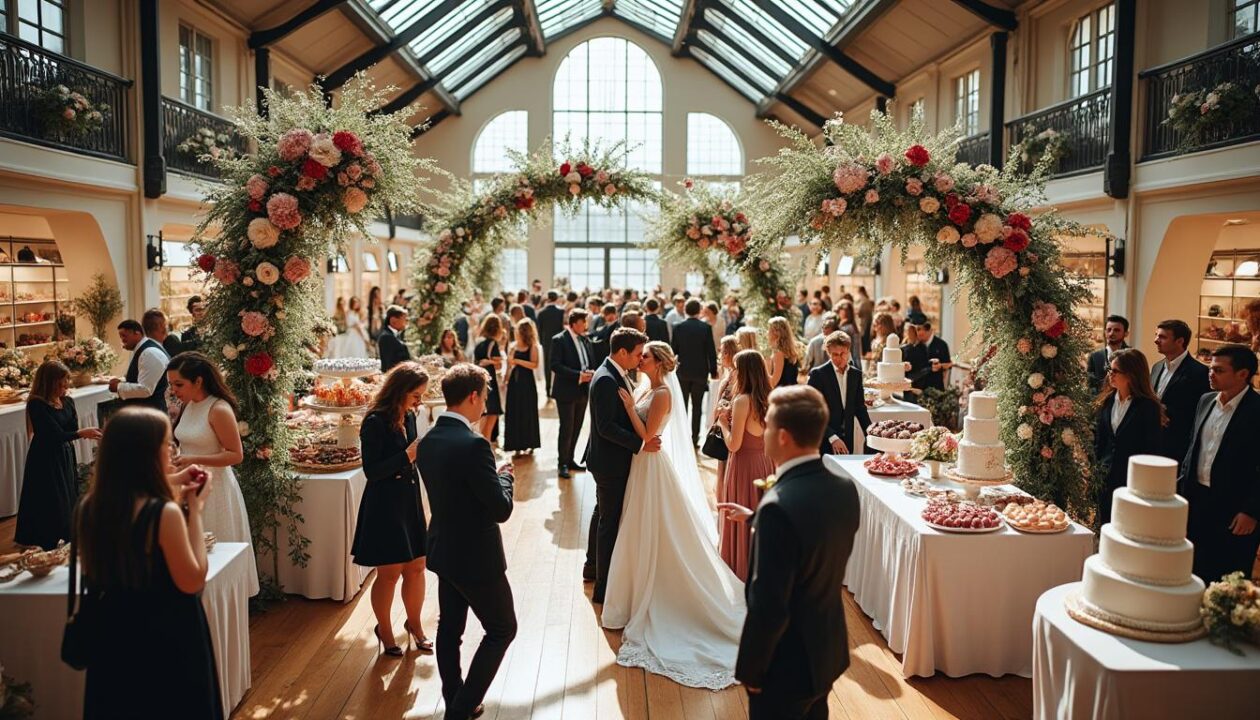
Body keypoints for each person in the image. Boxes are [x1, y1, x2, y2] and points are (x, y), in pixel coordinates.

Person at [600, 341, 745, 689]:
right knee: (637, 527)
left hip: (651, 463)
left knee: (653, 527)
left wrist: (629, 408)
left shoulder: (663, 392)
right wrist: (632, 402)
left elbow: (650, 435)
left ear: (659, 362)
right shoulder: (648, 387)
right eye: (639, 355)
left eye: (645, 356)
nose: (640, 359)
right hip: (642, 465)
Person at [719, 386, 860, 719]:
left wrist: (750, 670)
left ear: (782, 437)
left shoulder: (778, 511)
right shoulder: (843, 489)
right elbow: (814, 540)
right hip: (827, 652)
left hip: (786, 666)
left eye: (766, 425)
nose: (763, 432)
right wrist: (755, 518)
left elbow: (769, 606)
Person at [78, 407, 223, 719]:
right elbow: (193, 580)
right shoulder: (163, 514)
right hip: (165, 634)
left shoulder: (91, 506)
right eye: (166, 444)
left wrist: (173, 484)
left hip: (113, 634)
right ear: (146, 454)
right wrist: (194, 512)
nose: (172, 452)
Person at [417, 364, 516, 720]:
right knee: (503, 628)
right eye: (484, 398)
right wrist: (506, 478)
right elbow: (501, 509)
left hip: (445, 549)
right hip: (476, 555)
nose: (484, 405)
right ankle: (459, 709)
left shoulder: (428, 440)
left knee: (450, 628)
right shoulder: (474, 445)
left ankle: (456, 696)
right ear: (473, 396)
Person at [352, 363, 435, 657]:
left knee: (416, 567)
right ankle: (385, 631)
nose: (419, 401)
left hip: (408, 498)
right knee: (388, 573)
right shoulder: (374, 421)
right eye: (416, 395)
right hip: (384, 503)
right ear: (399, 390)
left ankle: (415, 625)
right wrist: (407, 455)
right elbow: (372, 471)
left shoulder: (410, 415)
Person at [168, 352, 260, 596]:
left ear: (198, 381)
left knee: (217, 555)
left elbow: (235, 455)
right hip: (187, 486)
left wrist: (193, 459)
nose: (174, 390)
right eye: (171, 384)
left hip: (216, 489)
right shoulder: (188, 405)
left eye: (179, 384)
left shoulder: (218, 409)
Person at [584, 328, 661, 602]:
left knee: (604, 516)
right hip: (609, 462)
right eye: (638, 354)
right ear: (622, 352)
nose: (640, 359)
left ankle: (593, 569)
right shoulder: (606, 379)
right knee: (610, 523)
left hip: (607, 459)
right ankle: (603, 590)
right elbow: (605, 427)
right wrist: (641, 445)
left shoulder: (613, 373)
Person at [1177, 345, 1260, 583]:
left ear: (1243, 374)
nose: (1210, 374)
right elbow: (1192, 452)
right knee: (1193, 571)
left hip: (1235, 509)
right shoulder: (1205, 401)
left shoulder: (1257, 411)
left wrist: (1251, 511)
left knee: (1228, 577)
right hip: (1198, 500)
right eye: (1210, 369)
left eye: (1219, 370)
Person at [15, 361, 101, 549]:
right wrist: (80, 434)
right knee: (50, 497)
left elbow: (70, 428)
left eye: (67, 382)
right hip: (44, 456)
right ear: (49, 383)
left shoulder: (68, 401)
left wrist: (81, 431)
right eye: (61, 384)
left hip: (64, 453)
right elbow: (52, 435)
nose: (65, 387)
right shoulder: (37, 404)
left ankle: (67, 534)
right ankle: (45, 538)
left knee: (67, 492)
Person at [715, 349, 774, 581]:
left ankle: (739, 572)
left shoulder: (742, 401)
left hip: (743, 467)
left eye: (737, 369)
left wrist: (722, 422)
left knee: (740, 516)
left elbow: (733, 445)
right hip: (765, 463)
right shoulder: (770, 398)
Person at [1094, 348, 1166, 525]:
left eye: (1115, 371)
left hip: (1131, 479)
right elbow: (1100, 440)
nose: (1110, 374)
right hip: (1105, 476)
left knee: (1126, 526)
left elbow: (1151, 448)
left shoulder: (1148, 406)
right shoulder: (1108, 400)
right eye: (1109, 369)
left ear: (1132, 375)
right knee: (1104, 524)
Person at [1151, 319, 1210, 464]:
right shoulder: (1156, 367)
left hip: (1178, 446)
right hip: (1153, 441)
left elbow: (1200, 412)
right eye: (1156, 335)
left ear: (1179, 341)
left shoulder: (1199, 372)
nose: (1156, 340)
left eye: (1162, 337)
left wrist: (1166, 412)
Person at [807, 331, 871, 455]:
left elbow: (860, 408)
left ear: (849, 351)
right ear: (828, 353)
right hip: (824, 440)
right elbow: (812, 412)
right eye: (835, 354)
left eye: (843, 353)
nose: (840, 358)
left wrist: (870, 433)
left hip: (848, 440)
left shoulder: (856, 375)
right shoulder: (818, 375)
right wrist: (832, 437)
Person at [551, 308, 594, 480]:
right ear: (575, 323)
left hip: (583, 390)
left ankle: (570, 460)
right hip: (566, 391)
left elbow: (589, 359)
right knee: (567, 427)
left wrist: (590, 371)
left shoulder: (585, 339)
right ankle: (562, 463)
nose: (586, 325)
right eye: (584, 322)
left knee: (577, 426)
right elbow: (555, 365)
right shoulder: (559, 340)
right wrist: (578, 375)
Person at [670, 298, 719, 446]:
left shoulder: (677, 327)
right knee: (697, 406)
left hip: (683, 371)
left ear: (685, 310)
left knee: (682, 405)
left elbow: (674, 350)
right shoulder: (705, 328)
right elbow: (711, 351)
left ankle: (682, 437)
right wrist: (713, 371)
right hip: (700, 372)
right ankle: (694, 438)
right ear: (699, 311)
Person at [108, 318, 170, 413]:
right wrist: (122, 381)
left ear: (137, 333)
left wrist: (118, 387)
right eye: (120, 337)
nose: (122, 340)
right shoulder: (144, 350)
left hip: (151, 413)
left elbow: (145, 389)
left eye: (124, 335)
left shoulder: (149, 353)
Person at [503, 318, 541, 456]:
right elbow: (509, 364)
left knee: (527, 411)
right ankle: (515, 445)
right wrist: (506, 378)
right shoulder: (513, 346)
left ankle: (529, 443)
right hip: (514, 381)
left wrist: (517, 361)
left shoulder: (533, 347)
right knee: (514, 411)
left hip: (527, 382)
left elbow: (534, 364)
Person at [473, 314, 505, 442]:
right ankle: (486, 447)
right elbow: (498, 364)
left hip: (479, 380)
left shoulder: (479, 342)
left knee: (482, 415)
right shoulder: (493, 343)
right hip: (490, 381)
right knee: (492, 413)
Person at [1088, 315, 1130, 394]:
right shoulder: (1095, 357)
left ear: (1126, 333)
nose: (1111, 333)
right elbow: (1091, 385)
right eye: (1109, 330)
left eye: (1116, 330)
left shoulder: (1132, 356)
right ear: (1104, 332)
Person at [536, 291, 566, 396]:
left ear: (547, 298)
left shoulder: (541, 312)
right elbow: (562, 328)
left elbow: (539, 330)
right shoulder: (561, 312)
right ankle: (558, 388)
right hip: (559, 342)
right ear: (557, 298)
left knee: (547, 366)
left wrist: (541, 342)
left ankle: (547, 389)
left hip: (546, 342)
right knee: (559, 364)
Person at [766, 316, 802, 388]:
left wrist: (765, 367)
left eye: (769, 330)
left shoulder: (779, 353)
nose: (767, 333)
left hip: (782, 394)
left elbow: (773, 382)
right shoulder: (791, 350)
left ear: (776, 333)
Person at [916, 321, 952, 391]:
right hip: (918, 388)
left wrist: (940, 366)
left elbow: (949, 364)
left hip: (936, 387)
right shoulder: (917, 345)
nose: (917, 333)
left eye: (919, 329)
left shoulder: (941, 345)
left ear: (929, 331)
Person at [378, 305, 411, 373]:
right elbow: (389, 365)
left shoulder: (394, 334)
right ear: (393, 320)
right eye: (404, 319)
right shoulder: (386, 337)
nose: (406, 322)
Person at [856, 286, 875, 351]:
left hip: (865, 322)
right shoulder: (866, 300)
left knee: (865, 338)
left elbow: (860, 312)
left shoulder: (864, 301)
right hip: (866, 321)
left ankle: (866, 352)